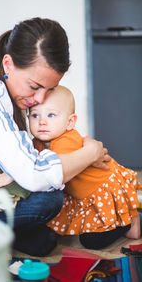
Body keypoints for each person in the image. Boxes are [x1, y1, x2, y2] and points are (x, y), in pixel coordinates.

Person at [0, 17, 110, 256]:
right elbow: (34, 174)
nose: (40, 100)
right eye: (34, 86)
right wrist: (89, 153)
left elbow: (23, 160)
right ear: (8, 64)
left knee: (41, 224)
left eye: (49, 89)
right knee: (47, 200)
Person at [28, 85, 142, 249]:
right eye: (35, 115)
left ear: (70, 122)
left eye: (51, 115)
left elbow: (50, 170)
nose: (42, 121)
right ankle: (125, 220)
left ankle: (128, 220)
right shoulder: (38, 141)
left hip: (101, 191)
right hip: (83, 194)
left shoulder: (65, 141)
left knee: (91, 242)